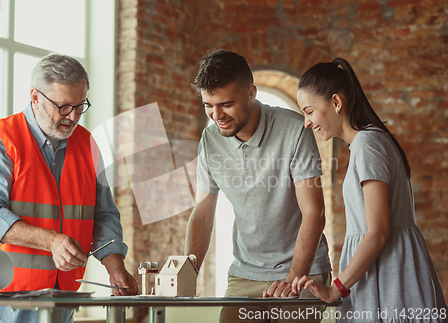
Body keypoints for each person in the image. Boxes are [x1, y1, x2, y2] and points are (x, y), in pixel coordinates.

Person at [0, 53, 139, 323]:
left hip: (61, 300)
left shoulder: (87, 145)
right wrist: (51, 241)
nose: (73, 116)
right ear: (35, 97)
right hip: (2, 301)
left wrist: (114, 266)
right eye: (64, 107)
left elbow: (104, 214)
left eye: (80, 106)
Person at [293, 58, 448, 322]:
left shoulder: (367, 145)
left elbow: (378, 233)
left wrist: (335, 289)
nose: (307, 122)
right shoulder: (370, 142)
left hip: (392, 280)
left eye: (309, 111)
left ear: (336, 103)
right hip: (384, 276)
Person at [185, 49, 332, 323]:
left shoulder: (294, 130)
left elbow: (314, 213)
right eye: (209, 105)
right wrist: (186, 274)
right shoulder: (210, 139)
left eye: (226, 104)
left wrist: (292, 279)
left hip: (302, 273)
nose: (217, 115)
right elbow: (203, 213)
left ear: (251, 93)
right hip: (246, 273)